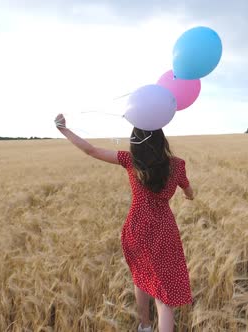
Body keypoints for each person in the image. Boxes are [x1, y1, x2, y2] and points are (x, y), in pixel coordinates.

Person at [54, 114, 194, 332]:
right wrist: (188, 194)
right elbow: (188, 189)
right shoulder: (177, 165)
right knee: (164, 298)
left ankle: (145, 326)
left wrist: (63, 129)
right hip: (164, 231)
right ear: (161, 140)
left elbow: (90, 150)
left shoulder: (131, 160)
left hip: (136, 229)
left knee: (141, 278)